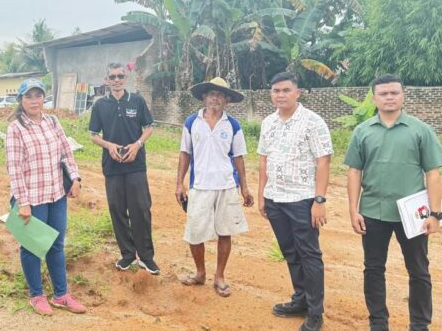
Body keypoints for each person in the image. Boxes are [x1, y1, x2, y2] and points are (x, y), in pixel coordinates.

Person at [345, 74, 442, 331]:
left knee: (419, 271)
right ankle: (378, 323)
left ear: (403, 95)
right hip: (373, 212)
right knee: (373, 269)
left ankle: (419, 324)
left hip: (412, 216)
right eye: (383, 93)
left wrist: (435, 214)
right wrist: (353, 210)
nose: (389, 97)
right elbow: (354, 172)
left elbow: (433, 174)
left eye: (394, 93)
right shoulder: (363, 131)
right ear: (374, 98)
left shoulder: (420, 130)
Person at [5, 78, 88, 316]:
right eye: (28, 96)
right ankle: (37, 295)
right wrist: (23, 202)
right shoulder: (16, 129)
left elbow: (66, 151)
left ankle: (61, 295)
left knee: (56, 245)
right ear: (21, 100)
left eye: (38, 95)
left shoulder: (52, 121)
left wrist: (75, 178)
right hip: (32, 197)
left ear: (44, 98)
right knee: (32, 247)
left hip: (55, 194)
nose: (34, 100)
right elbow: (15, 168)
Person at [257, 72, 333, 331]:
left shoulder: (313, 122)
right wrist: (262, 195)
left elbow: (323, 161)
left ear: (297, 92)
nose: (280, 95)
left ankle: (315, 312)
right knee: (290, 252)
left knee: (309, 254)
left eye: (286, 90)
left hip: (302, 199)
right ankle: (300, 299)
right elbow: (264, 160)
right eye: (276, 90)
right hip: (275, 198)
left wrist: (319, 200)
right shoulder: (268, 122)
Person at [175, 77, 254, 298]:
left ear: (227, 99)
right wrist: (179, 183)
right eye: (211, 93)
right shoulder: (192, 122)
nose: (215, 97)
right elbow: (185, 154)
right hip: (199, 186)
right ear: (204, 97)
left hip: (227, 185)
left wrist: (244, 188)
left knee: (225, 231)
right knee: (195, 233)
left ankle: (219, 276)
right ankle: (200, 273)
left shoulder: (233, 125)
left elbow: (239, 158)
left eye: (220, 94)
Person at [88, 62, 159, 274]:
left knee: (141, 209)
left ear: (125, 79)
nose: (117, 80)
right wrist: (108, 145)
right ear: (106, 80)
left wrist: (137, 145)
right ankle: (128, 255)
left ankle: (146, 257)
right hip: (112, 166)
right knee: (118, 210)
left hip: (135, 165)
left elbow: (149, 128)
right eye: (113, 77)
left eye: (120, 76)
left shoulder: (136, 101)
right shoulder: (100, 105)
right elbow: (93, 135)